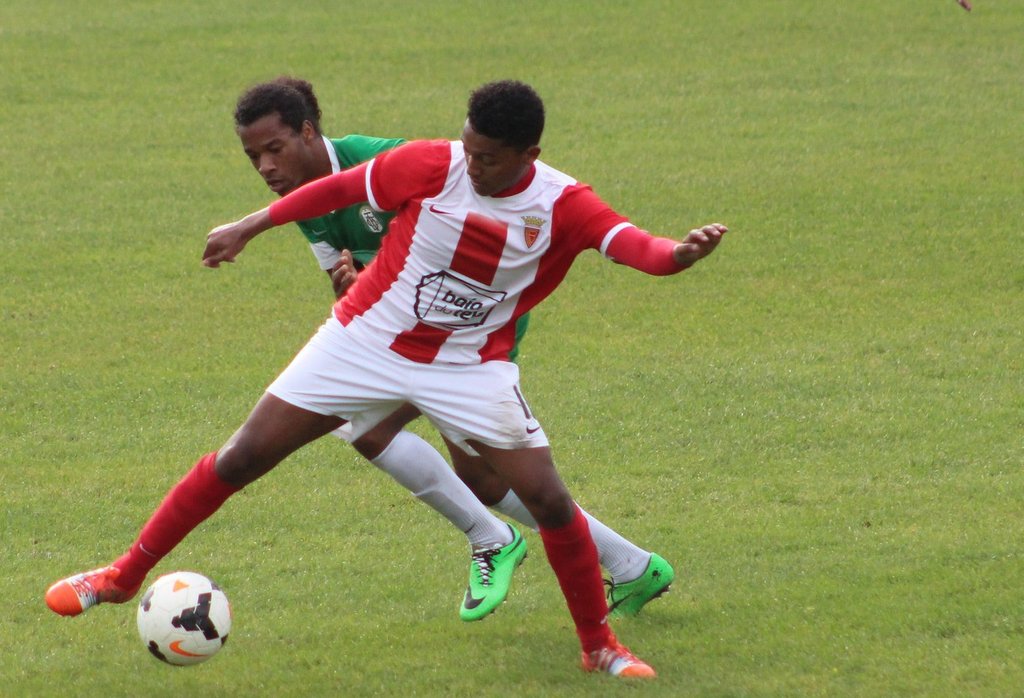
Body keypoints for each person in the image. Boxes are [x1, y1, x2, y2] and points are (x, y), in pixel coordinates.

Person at [46, 79, 726, 678]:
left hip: (469, 366)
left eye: (488, 157)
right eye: (469, 147)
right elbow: (337, 188)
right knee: (242, 456)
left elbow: (634, 246)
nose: (472, 165)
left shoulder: (562, 204)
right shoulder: (433, 163)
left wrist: (677, 254)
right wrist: (249, 227)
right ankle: (121, 576)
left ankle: (599, 647)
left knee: (547, 499)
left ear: (530, 155)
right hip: (363, 340)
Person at [230, 76, 674, 619]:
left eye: (273, 149)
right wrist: (353, 283)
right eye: (253, 157)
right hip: (406, 330)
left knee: (379, 433)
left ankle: (497, 540)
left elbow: (456, 222)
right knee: (473, 473)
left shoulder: (379, 159)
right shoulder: (302, 200)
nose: (266, 167)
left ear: (306, 133)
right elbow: (351, 286)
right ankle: (630, 565)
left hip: (470, 329)